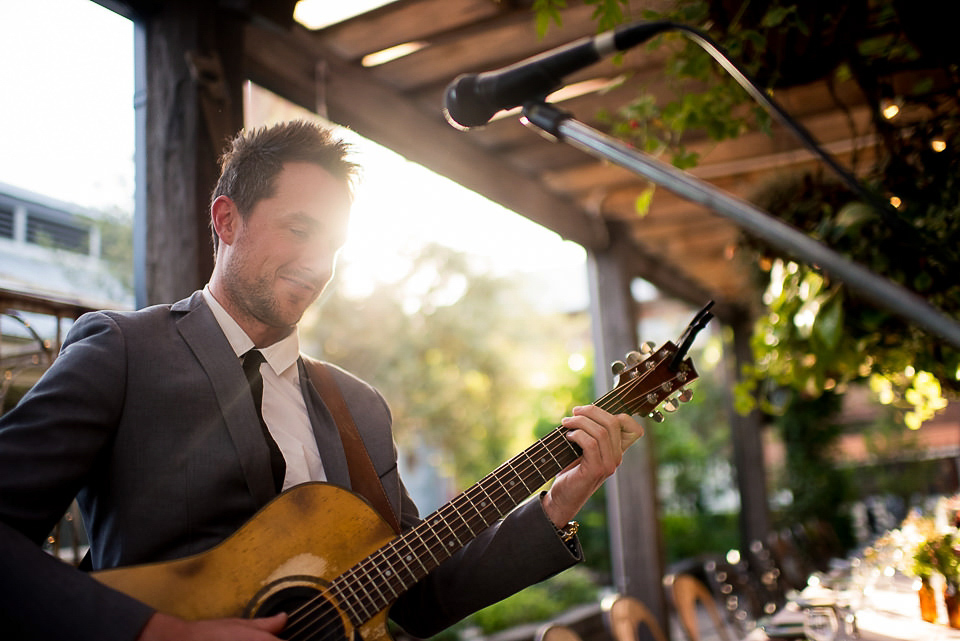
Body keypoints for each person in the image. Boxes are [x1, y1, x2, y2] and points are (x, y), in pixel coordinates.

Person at [0, 120, 645, 641]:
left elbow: (418, 599)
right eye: (300, 231)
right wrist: (162, 631)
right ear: (226, 221)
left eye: (332, 246)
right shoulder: (123, 352)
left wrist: (558, 502)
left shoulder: (358, 408)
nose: (317, 266)